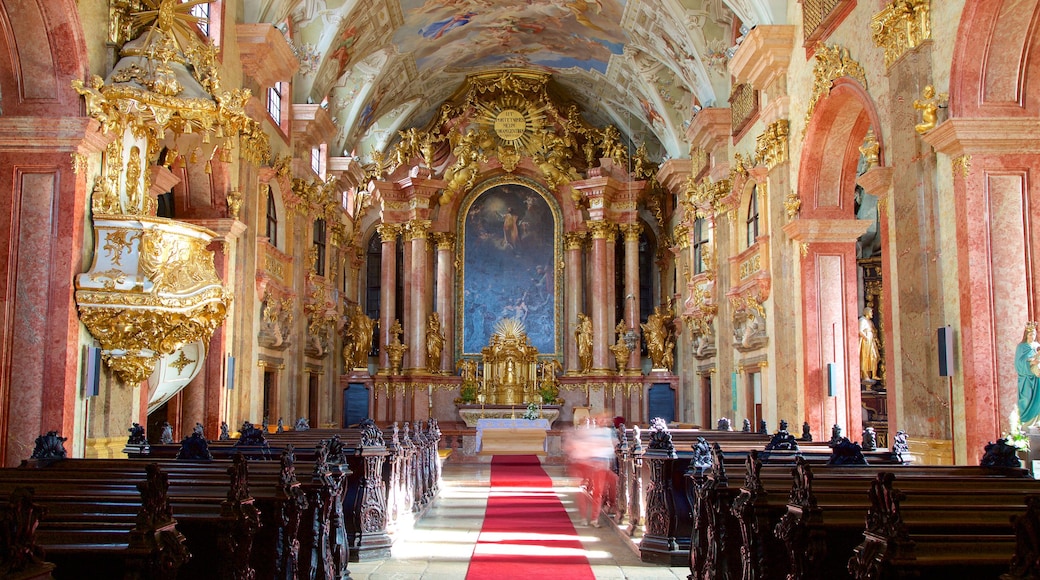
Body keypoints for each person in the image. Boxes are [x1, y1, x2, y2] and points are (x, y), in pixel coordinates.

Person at [565, 414, 618, 527]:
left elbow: (609, 448)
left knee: (598, 492)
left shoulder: (605, 432)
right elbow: (575, 447)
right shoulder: (588, 432)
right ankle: (585, 517)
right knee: (584, 491)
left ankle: (595, 518)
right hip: (585, 464)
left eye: (606, 419)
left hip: (597, 465)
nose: (603, 421)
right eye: (601, 419)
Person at [1016, 322, 1040, 426]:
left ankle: (1037, 423)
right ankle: (1025, 425)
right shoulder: (1021, 347)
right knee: (1026, 400)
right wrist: (1030, 363)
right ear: (1026, 335)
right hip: (1026, 379)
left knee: (1038, 402)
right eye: (1030, 334)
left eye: (1034, 334)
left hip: (1037, 378)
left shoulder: (1037, 346)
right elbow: (1018, 364)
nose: (1032, 336)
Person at [859, 305, 881, 382]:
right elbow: (860, 331)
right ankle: (865, 375)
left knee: (874, 357)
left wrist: (877, 341)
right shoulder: (862, 320)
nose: (872, 313)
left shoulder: (870, 322)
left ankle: (874, 374)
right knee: (865, 357)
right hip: (866, 342)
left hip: (871, 342)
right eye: (871, 311)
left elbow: (874, 332)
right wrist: (866, 338)